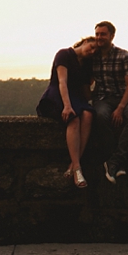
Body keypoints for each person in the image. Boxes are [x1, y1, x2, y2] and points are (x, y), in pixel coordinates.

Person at [37, 37, 97, 188]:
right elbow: (62, 82)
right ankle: (77, 169)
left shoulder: (87, 64)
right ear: (84, 42)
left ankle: (73, 163)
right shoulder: (64, 54)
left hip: (76, 97)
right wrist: (67, 106)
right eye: (91, 46)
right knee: (73, 118)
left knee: (88, 115)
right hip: (57, 95)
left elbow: (85, 92)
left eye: (96, 50)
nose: (92, 51)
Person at [92, 21, 128, 184]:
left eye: (103, 34)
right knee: (100, 116)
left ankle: (114, 160)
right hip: (102, 98)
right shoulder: (93, 55)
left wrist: (120, 108)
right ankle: (118, 162)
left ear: (112, 36)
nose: (99, 37)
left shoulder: (123, 55)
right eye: (97, 34)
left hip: (123, 98)